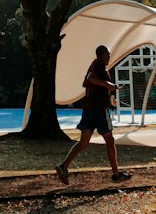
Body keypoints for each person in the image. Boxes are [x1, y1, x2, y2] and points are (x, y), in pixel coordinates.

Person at [54, 45, 131, 185]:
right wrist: (107, 84)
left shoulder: (95, 66)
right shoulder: (98, 66)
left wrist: (109, 89)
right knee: (109, 140)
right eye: (107, 54)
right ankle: (116, 174)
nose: (109, 57)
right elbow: (90, 79)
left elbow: (87, 82)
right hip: (98, 110)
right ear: (101, 55)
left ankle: (63, 166)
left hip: (88, 109)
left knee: (83, 142)